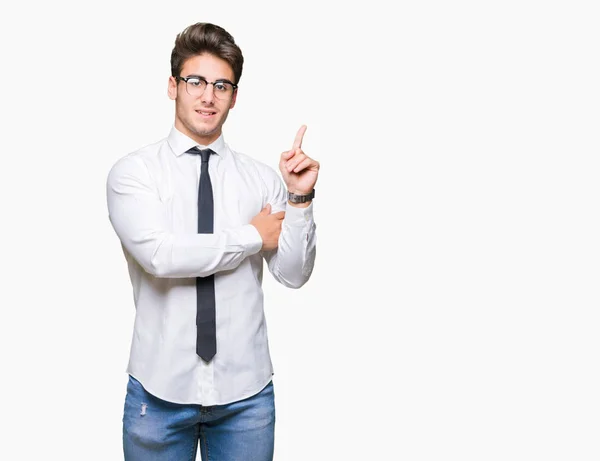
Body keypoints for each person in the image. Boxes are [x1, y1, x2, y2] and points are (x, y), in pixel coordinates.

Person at [106, 22, 318, 461]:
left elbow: (293, 275)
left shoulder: (260, 179)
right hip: (159, 393)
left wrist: (299, 198)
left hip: (246, 396)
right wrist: (250, 236)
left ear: (234, 96)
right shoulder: (135, 173)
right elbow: (161, 256)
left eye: (222, 85)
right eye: (196, 81)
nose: (208, 96)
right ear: (173, 86)